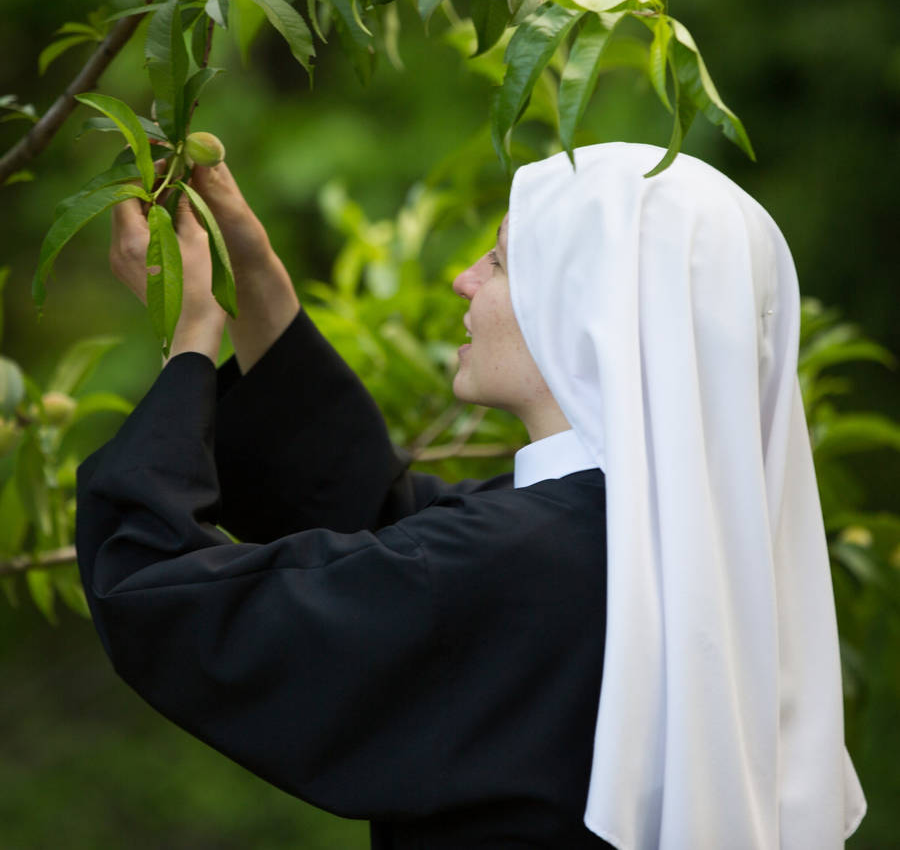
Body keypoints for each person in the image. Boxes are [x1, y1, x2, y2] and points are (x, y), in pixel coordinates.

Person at [75, 142, 866, 849]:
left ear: (585, 306)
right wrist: (258, 287)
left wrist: (191, 342)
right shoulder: (675, 547)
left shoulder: (523, 557)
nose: (465, 279)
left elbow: (159, 594)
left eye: (499, 261)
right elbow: (393, 533)